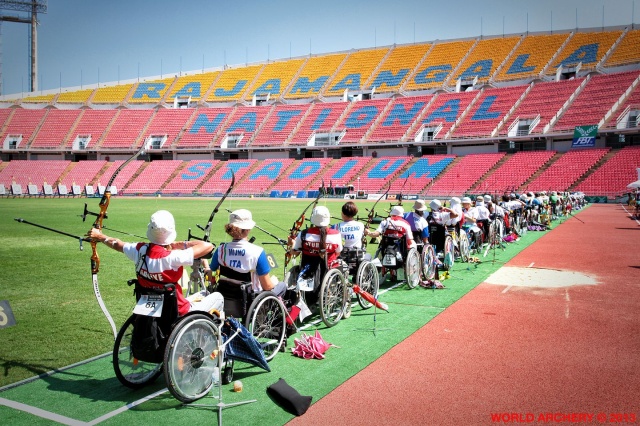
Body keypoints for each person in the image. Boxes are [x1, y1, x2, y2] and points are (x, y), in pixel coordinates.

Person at [88, 210, 223, 317]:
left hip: (154, 310)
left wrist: (100, 236)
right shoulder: (173, 257)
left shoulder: (139, 250)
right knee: (217, 297)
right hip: (178, 311)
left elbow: (117, 244)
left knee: (202, 296)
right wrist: (177, 244)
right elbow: (208, 246)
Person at [204, 209, 286, 297]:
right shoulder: (258, 252)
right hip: (251, 300)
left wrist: (205, 265)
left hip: (226, 297)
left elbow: (211, 278)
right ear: (248, 229)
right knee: (282, 285)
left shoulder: (220, 250)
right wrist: (274, 282)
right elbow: (267, 287)